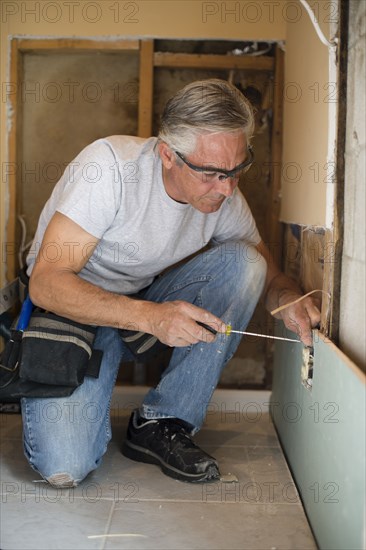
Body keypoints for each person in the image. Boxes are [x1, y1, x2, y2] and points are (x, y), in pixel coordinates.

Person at [24, 79, 321, 487]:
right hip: (73, 310)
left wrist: (287, 296)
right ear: (168, 155)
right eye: (213, 173)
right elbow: (46, 284)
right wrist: (149, 316)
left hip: (141, 307)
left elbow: (266, 270)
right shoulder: (109, 169)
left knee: (244, 262)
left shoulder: (224, 194)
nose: (228, 187)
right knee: (65, 468)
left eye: (238, 169)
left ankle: (162, 422)